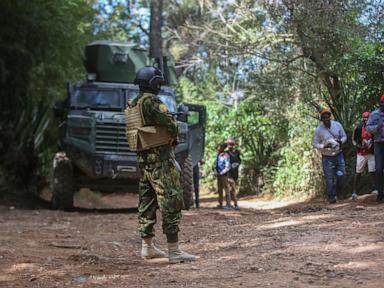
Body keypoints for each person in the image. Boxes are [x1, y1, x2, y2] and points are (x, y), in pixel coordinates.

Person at [125, 66, 196, 263]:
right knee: (171, 200)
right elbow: (170, 123)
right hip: (161, 161)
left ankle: (147, 248)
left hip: (145, 162)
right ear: (154, 83)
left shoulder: (133, 104)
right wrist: (173, 130)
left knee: (147, 202)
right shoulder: (151, 102)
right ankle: (174, 251)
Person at [313, 108, 347, 203]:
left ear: (330, 117)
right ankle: (331, 197)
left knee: (342, 174)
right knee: (329, 178)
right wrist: (324, 146)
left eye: (327, 117)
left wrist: (341, 141)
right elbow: (315, 144)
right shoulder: (318, 130)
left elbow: (344, 136)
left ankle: (339, 192)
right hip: (327, 157)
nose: (326, 120)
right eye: (324, 118)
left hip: (338, 154)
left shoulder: (337, 125)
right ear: (321, 119)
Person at [351, 111, 377, 200]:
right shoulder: (358, 128)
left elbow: (376, 139)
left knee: (373, 171)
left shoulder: (373, 128)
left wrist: (372, 145)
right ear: (362, 120)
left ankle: (375, 188)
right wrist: (359, 146)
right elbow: (354, 140)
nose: (365, 121)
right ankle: (354, 192)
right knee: (358, 172)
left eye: (367, 119)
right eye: (364, 120)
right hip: (361, 153)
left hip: (371, 153)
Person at [366, 95, 384, 203]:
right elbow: (368, 127)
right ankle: (380, 191)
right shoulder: (374, 114)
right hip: (378, 144)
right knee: (378, 168)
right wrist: (377, 127)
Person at [214, 143, 232, 208]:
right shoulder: (218, 155)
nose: (218, 148)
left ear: (222, 148)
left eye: (219, 147)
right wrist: (215, 171)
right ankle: (220, 203)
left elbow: (227, 166)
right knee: (219, 189)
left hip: (224, 175)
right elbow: (215, 164)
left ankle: (228, 204)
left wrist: (222, 172)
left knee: (226, 189)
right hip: (219, 175)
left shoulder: (226, 156)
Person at [225, 137, 241, 209]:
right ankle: (232, 204)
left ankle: (234, 204)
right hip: (228, 174)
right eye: (229, 144)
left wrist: (237, 164)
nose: (230, 146)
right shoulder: (226, 153)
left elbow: (239, 160)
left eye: (231, 144)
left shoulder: (237, 152)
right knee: (229, 189)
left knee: (233, 189)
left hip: (235, 173)